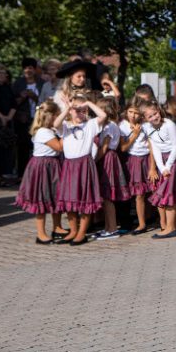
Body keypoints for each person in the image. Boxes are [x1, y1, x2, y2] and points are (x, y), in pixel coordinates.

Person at [53, 94, 107, 245]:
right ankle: (73, 231)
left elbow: (103, 115)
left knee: (85, 200)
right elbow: (56, 123)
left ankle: (82, 233)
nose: (79, 112)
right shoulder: (66, 126)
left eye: (82, 110)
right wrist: (68, 108)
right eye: (76, 110)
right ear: (70, 111)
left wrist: (88, 102)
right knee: (70, 200)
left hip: (84, 165)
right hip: (70, 165)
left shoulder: (90, 124)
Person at [14, 100, 66, 244]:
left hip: (53, 165)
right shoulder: (43, 132)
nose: (59, 119)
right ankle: (41, 233)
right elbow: (59, 147)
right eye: (57, 116)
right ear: (50, 116)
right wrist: (64, 132)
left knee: (56, 196)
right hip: (43, 167)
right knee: (41, 199)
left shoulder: (50, 130)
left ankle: (57, 227)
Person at [141, 100, 176, 239]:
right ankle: (175, 227)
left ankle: (170, 227)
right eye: (150, 116)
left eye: (155, 113)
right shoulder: (147, 127)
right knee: (167, 192)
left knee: (168, 194)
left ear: (159, 111)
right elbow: (155, 148)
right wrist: (161, 167)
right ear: (145, 119)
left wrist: (168, 166)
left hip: (173, 159)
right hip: (163, 162)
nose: (154, 117)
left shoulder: (169, 124)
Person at [94, 97, 129, 240]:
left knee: (108, 196)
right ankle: (108, 227)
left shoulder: (110, 126)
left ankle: (112, 228)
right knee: (106, 196)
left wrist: (94, 160)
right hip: (108, 158)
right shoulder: (110, 125)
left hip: (108, 158)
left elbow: (104, 147)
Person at [120, 101, 153, 234]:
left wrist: (153, 167)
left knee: (152, 190)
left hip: (147, 159)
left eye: (136, 112)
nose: (133, 115)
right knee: (138, 194)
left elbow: (151, 146)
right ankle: (141, 223)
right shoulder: (122, 126)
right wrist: (135, 134)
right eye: (130, 112)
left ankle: (155, 218)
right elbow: (123, 147)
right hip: (133, 160)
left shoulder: (146, 125)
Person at [13, 58, 45, 177]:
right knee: (22, 146)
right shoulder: (18, 83)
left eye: (31, 68)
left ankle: (36, 173)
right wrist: (22, 97)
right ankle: (22, 173)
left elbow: (43, 101)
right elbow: (13, 102)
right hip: (23, 119)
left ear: (35, 69)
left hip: (38, 119)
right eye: (26, 68)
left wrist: (34, 97)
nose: (28, 70)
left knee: (37, 145)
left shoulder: (41, 83)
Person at [0, 64, 17, 186]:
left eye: (4, 73)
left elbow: (14, 104)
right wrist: (1, 117)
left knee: (7, 148)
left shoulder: (8, 88)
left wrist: (8, 117)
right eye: (0, 73)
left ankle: (5, 175)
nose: (3, 75)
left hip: (8, 122)